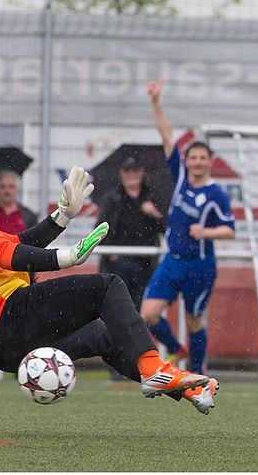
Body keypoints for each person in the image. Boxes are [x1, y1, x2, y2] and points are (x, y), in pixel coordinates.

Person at [0, 144, 218, 414]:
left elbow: (15, 242)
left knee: (100, 336)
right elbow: (11, 254)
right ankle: (156, 368)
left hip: (1, 348)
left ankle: (187, 389)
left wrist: (62, 216)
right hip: (6, 320)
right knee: (107, 286)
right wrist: (68, 256)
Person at [142, 79, 236, 375]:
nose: (196, 162)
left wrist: (205, 232)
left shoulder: (215, 193)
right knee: (148, 314)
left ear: (210, 162)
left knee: (195, 320)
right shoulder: (181, 175)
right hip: (173, 260)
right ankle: (176, 349)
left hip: (200, 265)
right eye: (193, 157)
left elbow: (230, 229)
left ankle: (197, 374)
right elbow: (167, 135)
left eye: (202, 158)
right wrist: (156, 101)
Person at [97, 156, 165, 380]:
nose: (131, 176)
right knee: (117, 316)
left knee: (139, 316)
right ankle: (117, 365)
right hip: (119, 268)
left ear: (142, 173)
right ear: (121, 174)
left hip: (145, 266)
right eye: (127, 171)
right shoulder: (112, 198)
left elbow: (166, 227)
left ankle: (139, 365)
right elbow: (101, 230)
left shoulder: (152, 197)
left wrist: (153, 214)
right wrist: (112, 253)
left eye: (135, 171)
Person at [0, 170, 41, 379]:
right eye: (3, 187)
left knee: (24, 325)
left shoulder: (28, 216)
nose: (6, 191)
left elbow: (34, 246)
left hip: (20, 277)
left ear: (17, 190)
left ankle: (23, 369)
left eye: (10, 187)